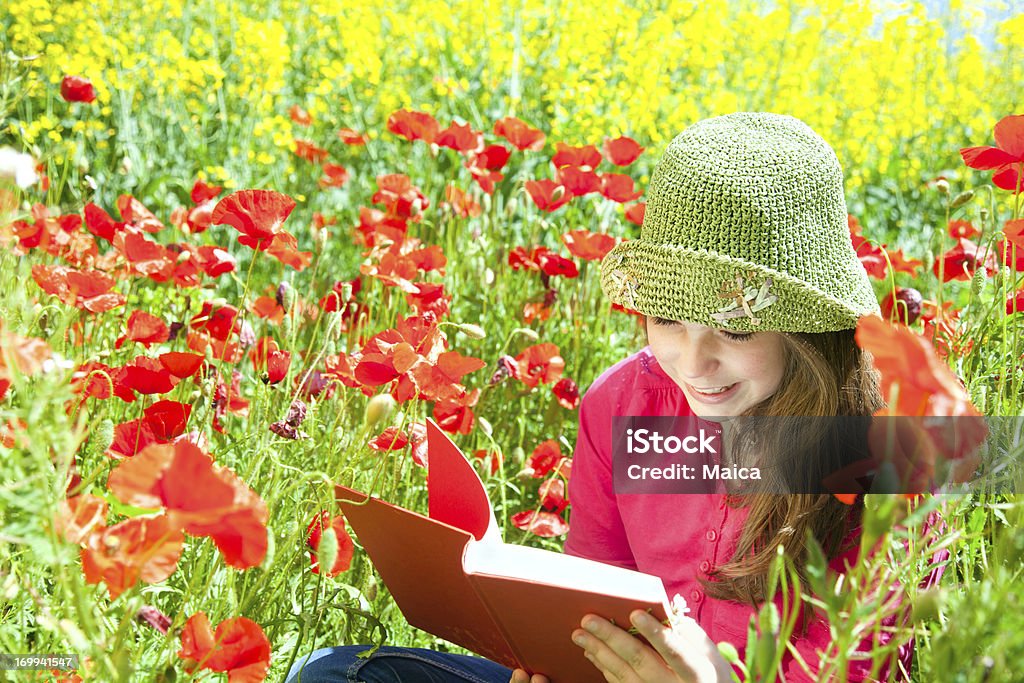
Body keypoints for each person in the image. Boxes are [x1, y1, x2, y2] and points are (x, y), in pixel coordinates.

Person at [285, 113, 945, 683]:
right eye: (667, 319)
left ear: (809, 322)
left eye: (735, 327)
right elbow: (590, 600)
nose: (693, 362)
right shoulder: (620, 407)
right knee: (337, 672)